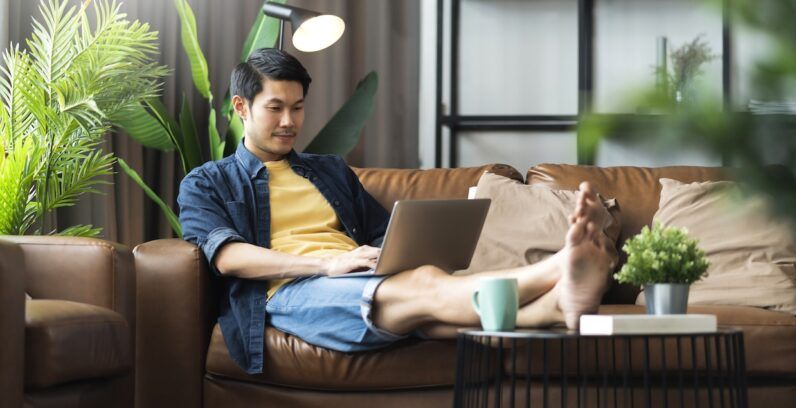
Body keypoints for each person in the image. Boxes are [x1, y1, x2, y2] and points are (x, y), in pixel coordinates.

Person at [178, 48, 615, 374]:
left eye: (297, 107)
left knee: (426, 291)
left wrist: (391, 253)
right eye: (275, 108)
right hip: (286, 292)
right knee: (425, 285)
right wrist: (327, 264)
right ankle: (558, 269)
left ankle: (554, 308)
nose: (290, 121)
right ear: (241, 107)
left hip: (356, 276)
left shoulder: (328, 170)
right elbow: (228, 255)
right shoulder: (206, 181)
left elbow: (385, 232)